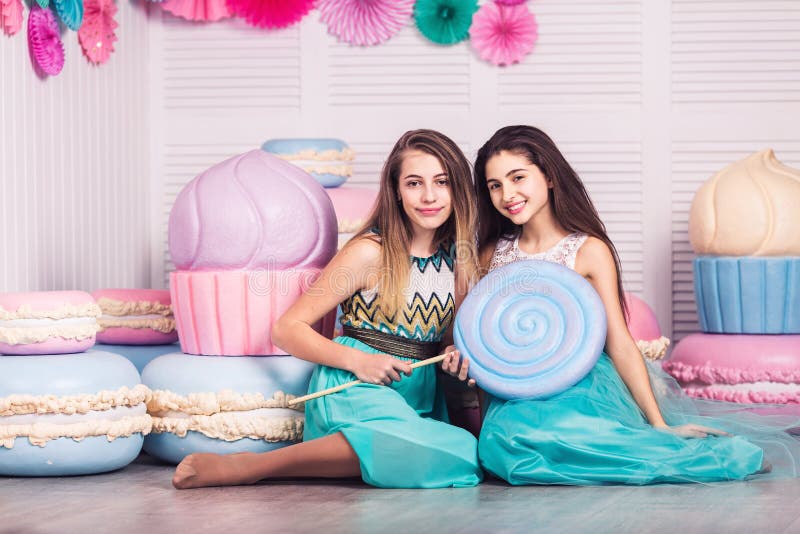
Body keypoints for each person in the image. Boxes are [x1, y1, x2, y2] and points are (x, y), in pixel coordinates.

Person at [472, 125, 799, 485]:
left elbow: (619, 341)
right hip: (517, 393)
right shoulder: (491, 254)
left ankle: (705, 456)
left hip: (580, 386)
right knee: (502, 448)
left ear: (549, 177)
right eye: (495, 185)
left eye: (518, 178)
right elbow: (487, 341)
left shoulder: (588, 250)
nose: (507, 194)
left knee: (561, 434)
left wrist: (658, 423)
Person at [172, 129, 483, 489]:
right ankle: (253, 466)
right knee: (413, 445)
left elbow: (443, 338)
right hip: (353, 384)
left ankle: (377, 446)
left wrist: (451, 352)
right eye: (414, 183)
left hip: (415, 393)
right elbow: (288, 329)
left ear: (457, 188)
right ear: (396, 192)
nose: (429, 195)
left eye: (441, 182)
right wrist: (360, 362)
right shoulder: (370, 252)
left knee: (465, 452)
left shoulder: (458, 262)